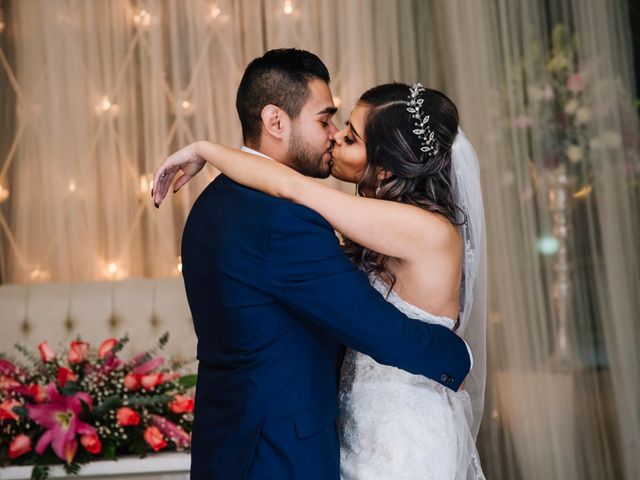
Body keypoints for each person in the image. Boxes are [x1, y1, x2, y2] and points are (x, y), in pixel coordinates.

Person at [152, 49, 473, 479]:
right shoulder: (284, 217)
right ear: (276, 122)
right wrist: (460, 358)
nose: (334, 135)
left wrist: (208, 150)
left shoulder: (214, 202)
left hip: (239, 441)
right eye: (325, 121)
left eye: (347, 131)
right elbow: (372, 326)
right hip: (278, 453)